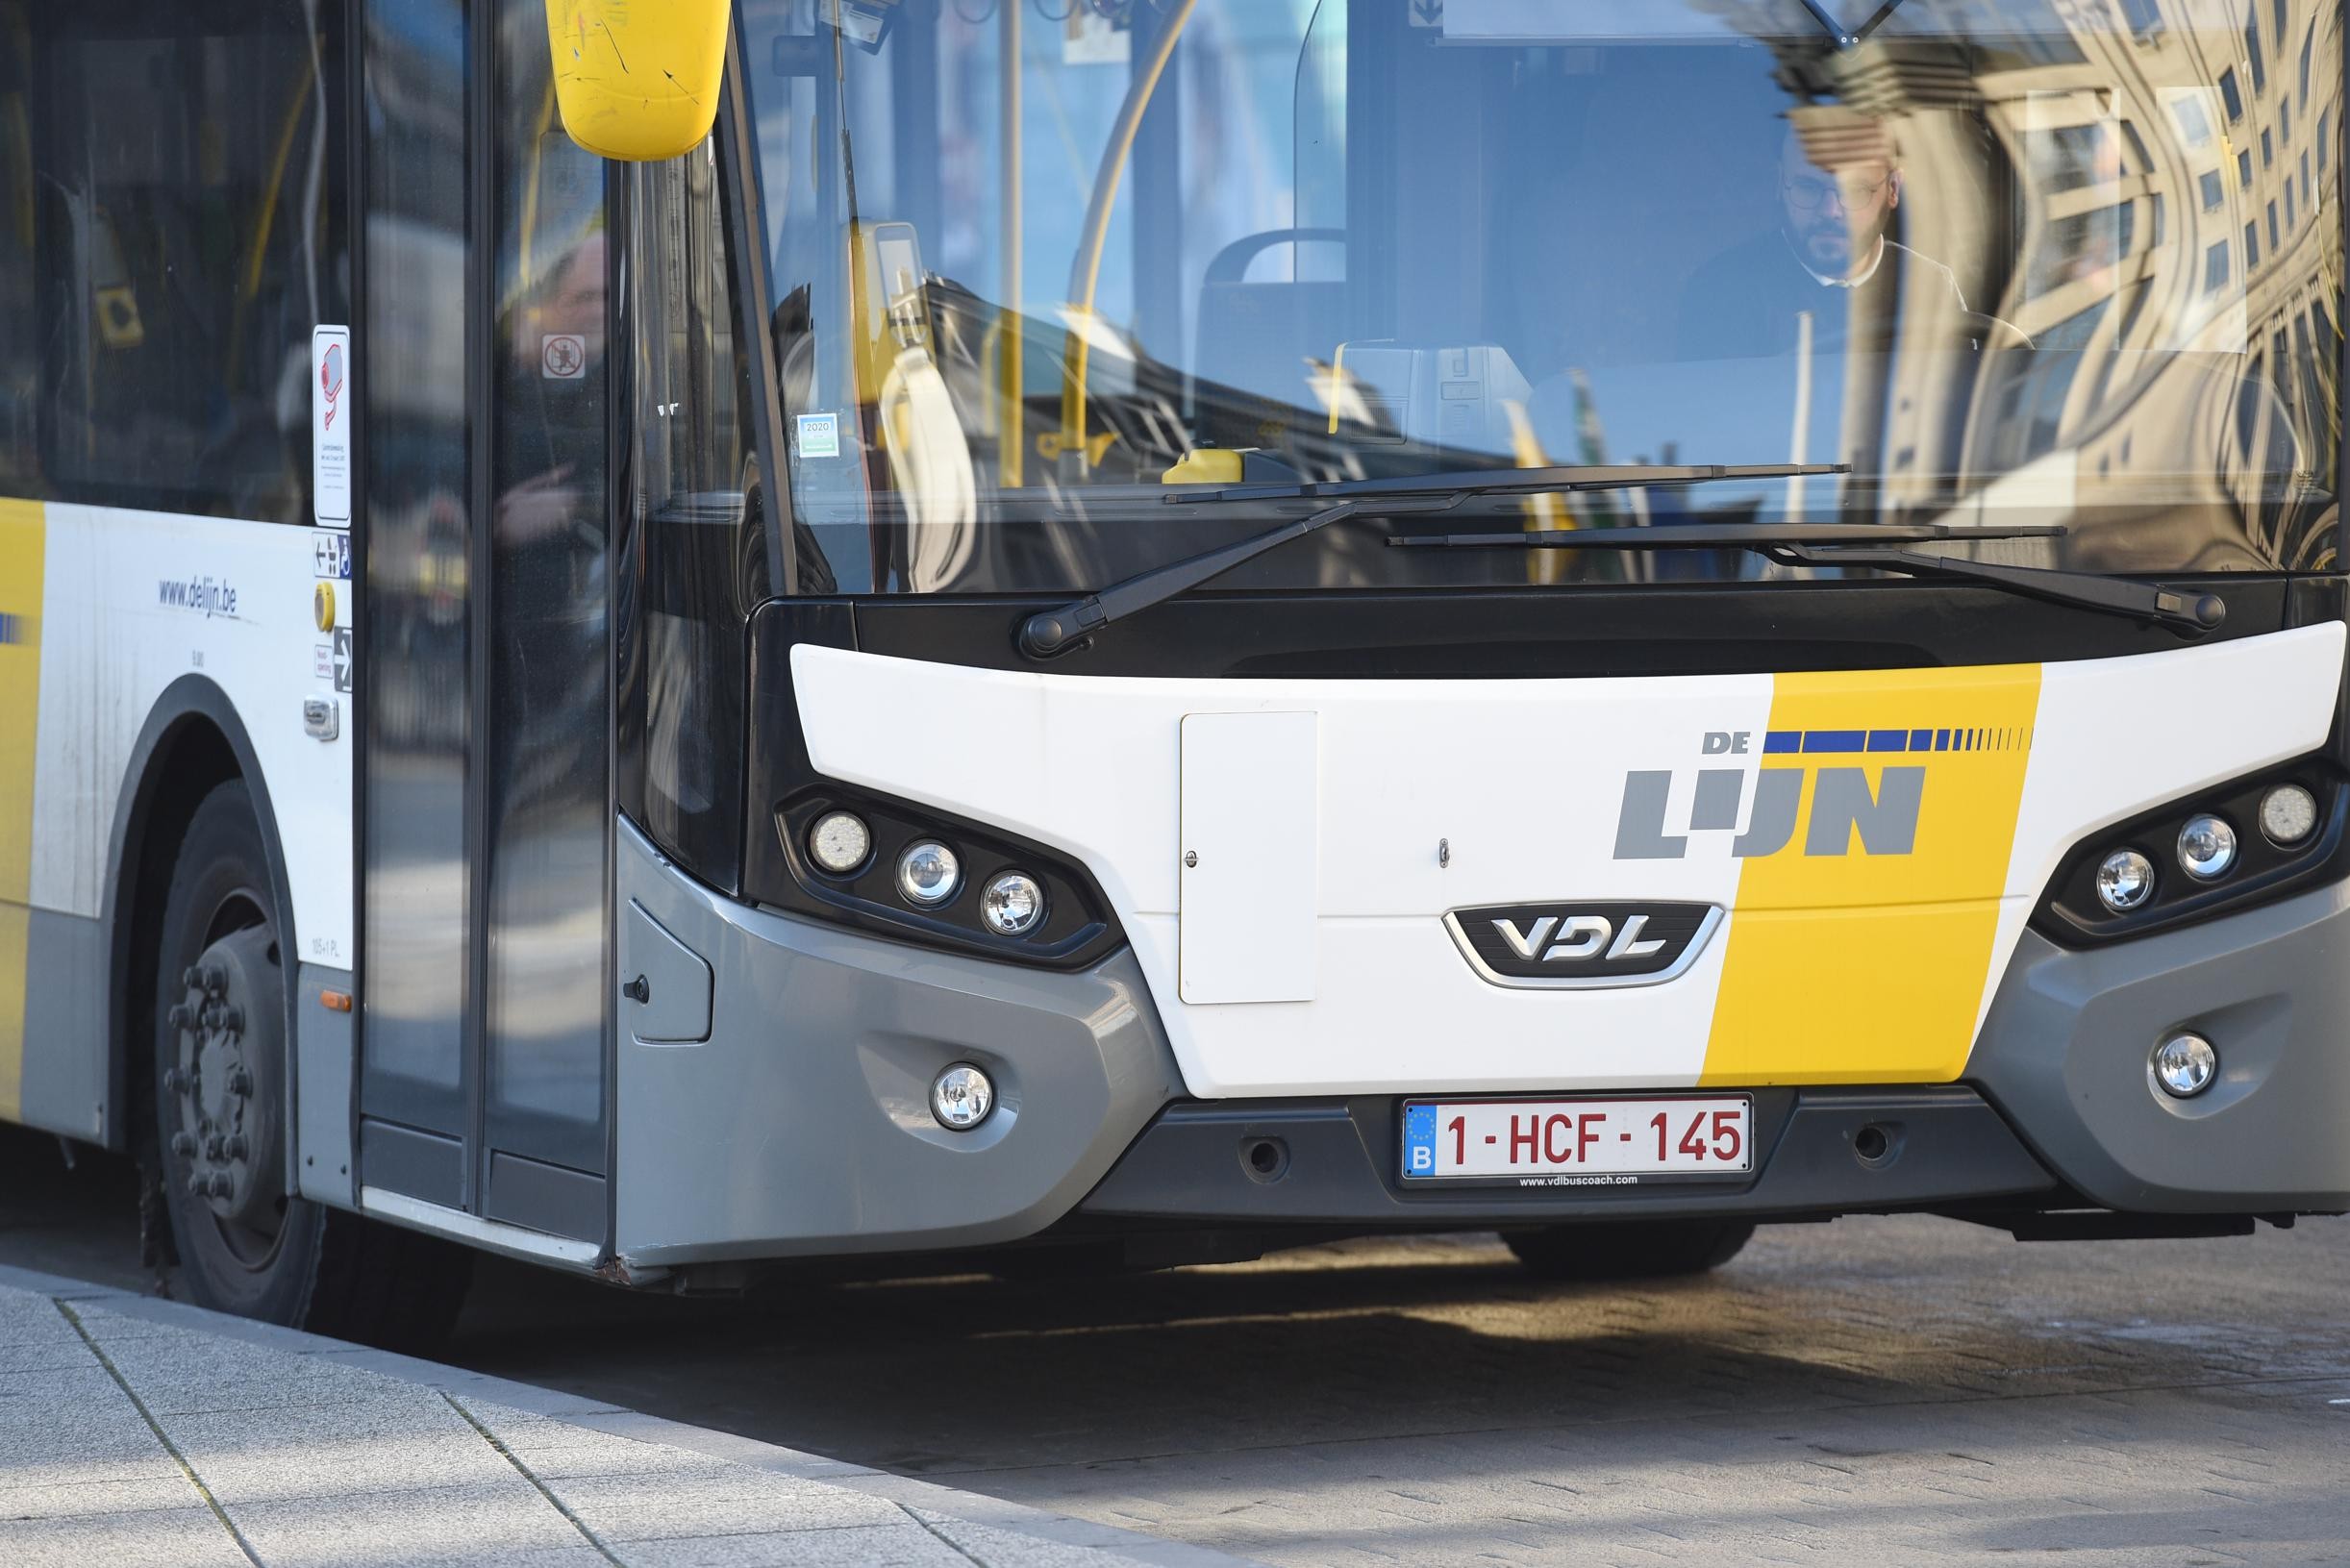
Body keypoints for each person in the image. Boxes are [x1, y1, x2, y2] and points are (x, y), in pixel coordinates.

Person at [1675, 122, 1975, 362]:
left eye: (1855, 189)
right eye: (1808, 187)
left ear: (1893, 189)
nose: (1830, 211)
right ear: (1781, 183)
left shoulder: (1930, 285)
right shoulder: (1722, 290)